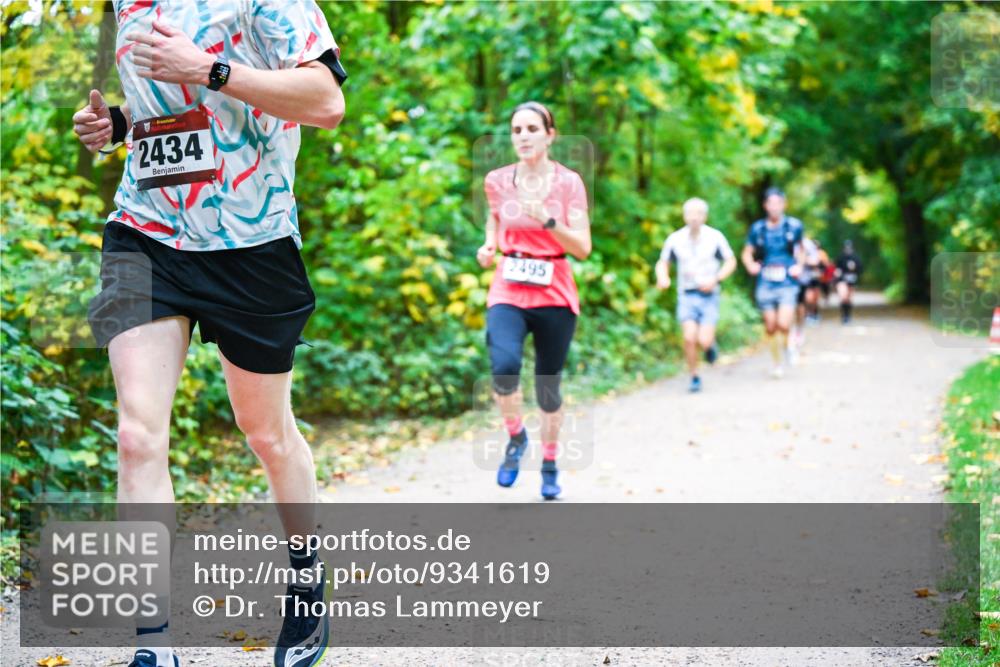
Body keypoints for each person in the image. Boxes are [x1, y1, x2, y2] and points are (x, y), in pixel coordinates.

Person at [73, 2, 347, 666]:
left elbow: (325, 100)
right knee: (138, 433)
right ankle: (152, 642)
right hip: (146, 232)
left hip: (251, 244)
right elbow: (172, 112)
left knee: (266, 433)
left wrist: (212, 70)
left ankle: (307, 579)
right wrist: (117, 123)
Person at [477, 101, 592, 500]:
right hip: (508, 285)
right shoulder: (496, 180)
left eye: (531, 129)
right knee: (504, 367)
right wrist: (490, 244)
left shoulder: (569, 183)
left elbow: (583, 248)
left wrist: (546, 218)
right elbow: (494, 216)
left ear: (550, 135)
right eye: (516, 130)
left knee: (547, 387)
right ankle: (516, 438)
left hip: (555, 289)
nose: (523, 136)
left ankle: (549, 464)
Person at [654, 198, 737, 393]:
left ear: (704, 216)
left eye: (698, 213)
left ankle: (710, 347)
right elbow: (663, 262)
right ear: (684, 216)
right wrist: (663, 277)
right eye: (690, 213)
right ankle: (694, 376)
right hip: (687, 295)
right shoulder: (675, 239)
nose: (694, 218)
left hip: (709, 295)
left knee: (704, 340)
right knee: (689, 337)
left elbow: (730, 261)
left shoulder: (715, 237)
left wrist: (716, 279)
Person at [740, 187, 805, 378]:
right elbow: (747, 252)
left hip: (786, 280)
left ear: (784, 204)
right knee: (770, 326)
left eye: (778, 203)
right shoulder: (758, 229)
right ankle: (777, 364)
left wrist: (799, 266)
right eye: (771, 203)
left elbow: (801, 250)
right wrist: (750, 264)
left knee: (783, 324)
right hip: (766, 280)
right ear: (765, 206)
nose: (774, 207)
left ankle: (789, 345)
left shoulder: (794, 226)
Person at [835, 240, 863, 323]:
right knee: (843, 297)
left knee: (849, 298)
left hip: (852, 280)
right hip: (842, 279)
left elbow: (860, 269)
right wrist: (837, 273)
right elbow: (836, 268)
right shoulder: (840, 257)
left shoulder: (856, 258)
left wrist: (855, 269)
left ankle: (848, 315)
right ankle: (843, 316)